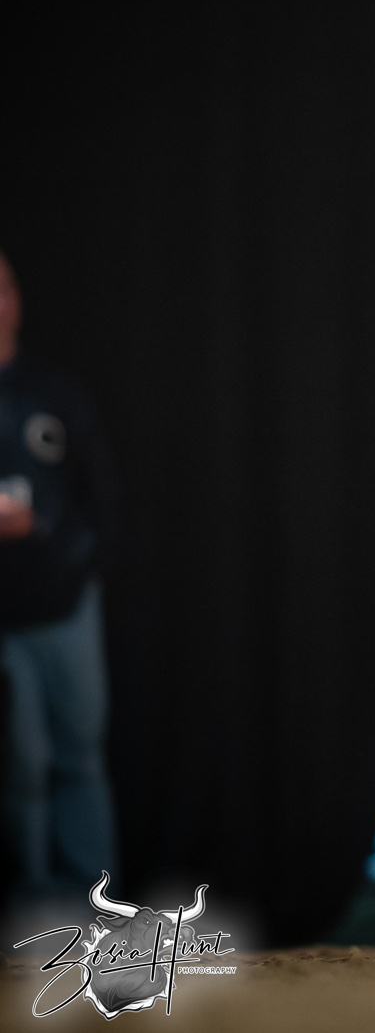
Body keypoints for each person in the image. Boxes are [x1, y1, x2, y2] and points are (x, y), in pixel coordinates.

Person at [0, 249, 121, 909]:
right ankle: (31, 898)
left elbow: (98, 495)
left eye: (2, 288)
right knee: (20, 761)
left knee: (80, 753)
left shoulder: (53, 395)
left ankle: (94, 899)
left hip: (65, 602)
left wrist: (61, 544)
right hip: (5, 617)